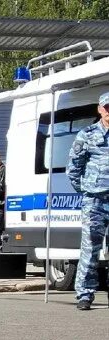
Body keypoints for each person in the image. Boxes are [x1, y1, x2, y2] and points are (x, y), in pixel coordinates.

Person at [66, 91, 109, 311]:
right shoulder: (87, 134)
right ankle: (85, 294)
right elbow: (73, 169)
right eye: (107, 107)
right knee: (90, 248)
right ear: (100, 109)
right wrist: (86, 190)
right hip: (95, 201)